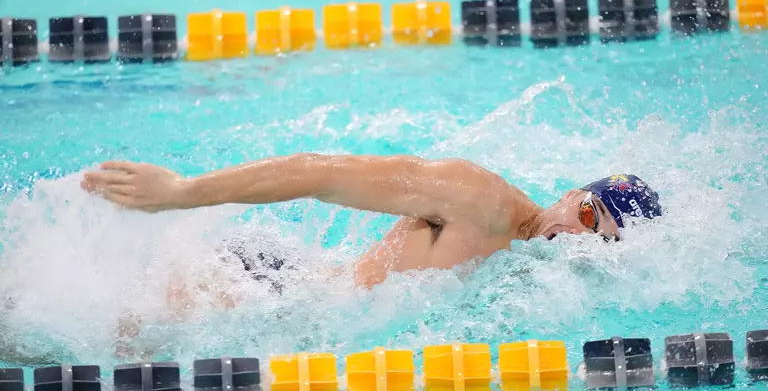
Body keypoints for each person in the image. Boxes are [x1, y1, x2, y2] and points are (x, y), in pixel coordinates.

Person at [81, 154, 663, 289]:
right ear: (569, 195)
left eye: (601, 240)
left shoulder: (534, 281)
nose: (577, 235)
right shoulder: (481, 201)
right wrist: (182, 192)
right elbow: (321, 172)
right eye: (587, 212)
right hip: (259, 288)